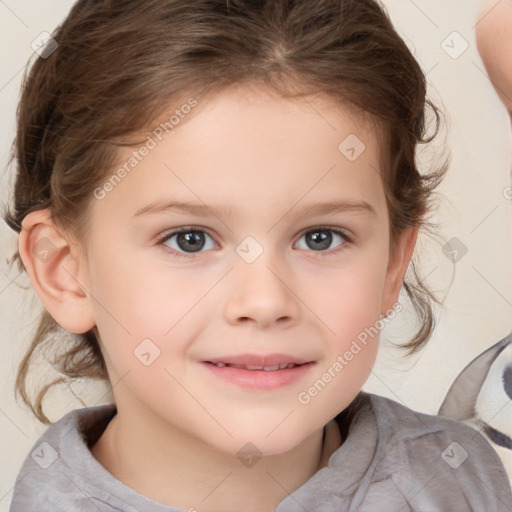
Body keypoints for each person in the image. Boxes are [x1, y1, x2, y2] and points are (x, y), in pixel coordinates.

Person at [3, 0, 512, 510]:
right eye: (189, 239)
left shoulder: (459, 478)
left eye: (321, 237)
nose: (265, 301)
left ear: (392, 265)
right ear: (65, 270)